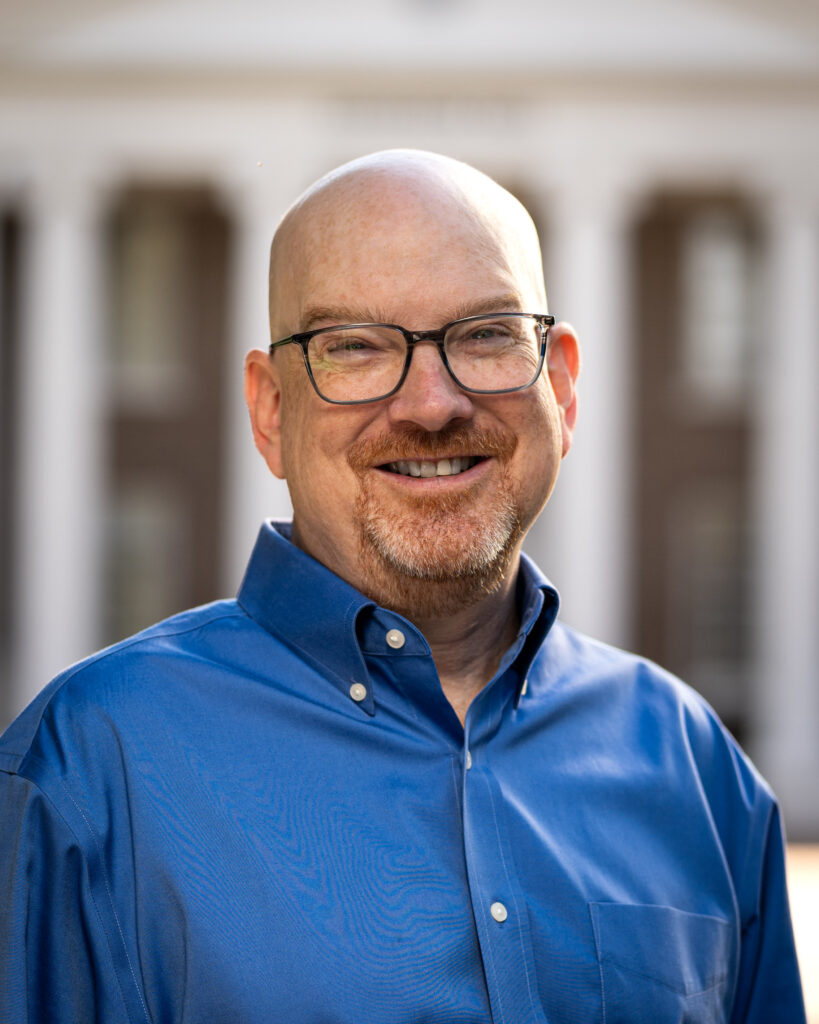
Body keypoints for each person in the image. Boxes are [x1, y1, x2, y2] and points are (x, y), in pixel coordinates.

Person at [0, 150, 805, 1023]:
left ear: (562, 388)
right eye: (352, 346)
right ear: (271, 411)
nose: (431, 404)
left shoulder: (692, 768)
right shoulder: (86, 769)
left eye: (486, 334)